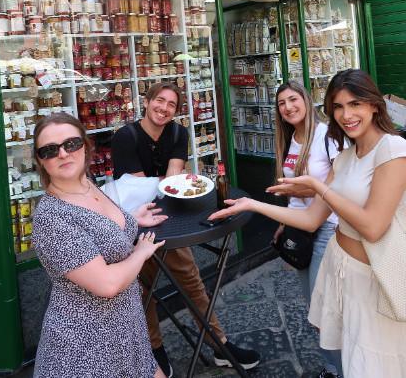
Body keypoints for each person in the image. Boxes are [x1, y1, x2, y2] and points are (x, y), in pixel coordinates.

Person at [209, 69, 406, 378]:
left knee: (375, 363)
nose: (346, 114)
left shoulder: (392, 149)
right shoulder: (347, 157)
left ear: (374, 105)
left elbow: (373, 227)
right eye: (338, 107)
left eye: (355, 104)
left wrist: (319, 188)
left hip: (374, 278)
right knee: (348, 352)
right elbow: (311, 218)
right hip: (342, 270)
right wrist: (252, 204)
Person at [112, 82, 260, 378]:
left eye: (171, 105)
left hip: (169, 219)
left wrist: (176, 181)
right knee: (142, 291)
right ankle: (154, 351)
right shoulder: (125, 137)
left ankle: (219, 345)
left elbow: (172, 176)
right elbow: (143, 188)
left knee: (190, 281)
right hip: (134, 223)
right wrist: (173, 182)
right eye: (159, 101)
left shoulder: (179, 133)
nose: (163, 108)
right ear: (147, 101)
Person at [32, 112, 168, 378]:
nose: (63, 154)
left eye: (71, 144)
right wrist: (140, 253)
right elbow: (106, 284)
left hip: (127, 331)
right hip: (84, 348)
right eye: (50, 150)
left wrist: (131, 219)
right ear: (40, 161)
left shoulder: (87, 185)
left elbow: (100, 226)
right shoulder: (50, 217)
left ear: (85, 146)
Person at [272, 81, 343, 378]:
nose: (288, 107)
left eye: (293, 99)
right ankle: (333, 367)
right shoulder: (290, 139)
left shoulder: (327, 136)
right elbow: (290, 190)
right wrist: (284, 221)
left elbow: (342, 184)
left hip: (327, 228)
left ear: (306, 99)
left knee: (325, 310)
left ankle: (344, 369)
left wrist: (308, 192)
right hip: (300, 230)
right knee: (315, 308)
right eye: (281, 103)